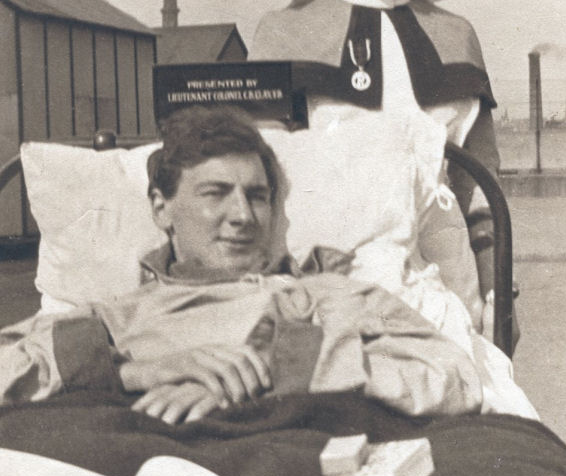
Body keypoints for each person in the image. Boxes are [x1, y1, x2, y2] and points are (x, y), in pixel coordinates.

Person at [0, 107, 536, 424]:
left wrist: (276, 372)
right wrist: (134, 372)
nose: (242, 216)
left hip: (292, 459)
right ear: (161, 208)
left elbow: (455, 377)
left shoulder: (332, 295)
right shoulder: (117, 315)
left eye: (257, 196)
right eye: (216, 193)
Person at [251, 0, 508, 339]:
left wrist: (501, 295)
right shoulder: (282, 34)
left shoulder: (456, 36)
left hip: (448, 287)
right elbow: (258, 181)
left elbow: (481, 190)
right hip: (325, 287)